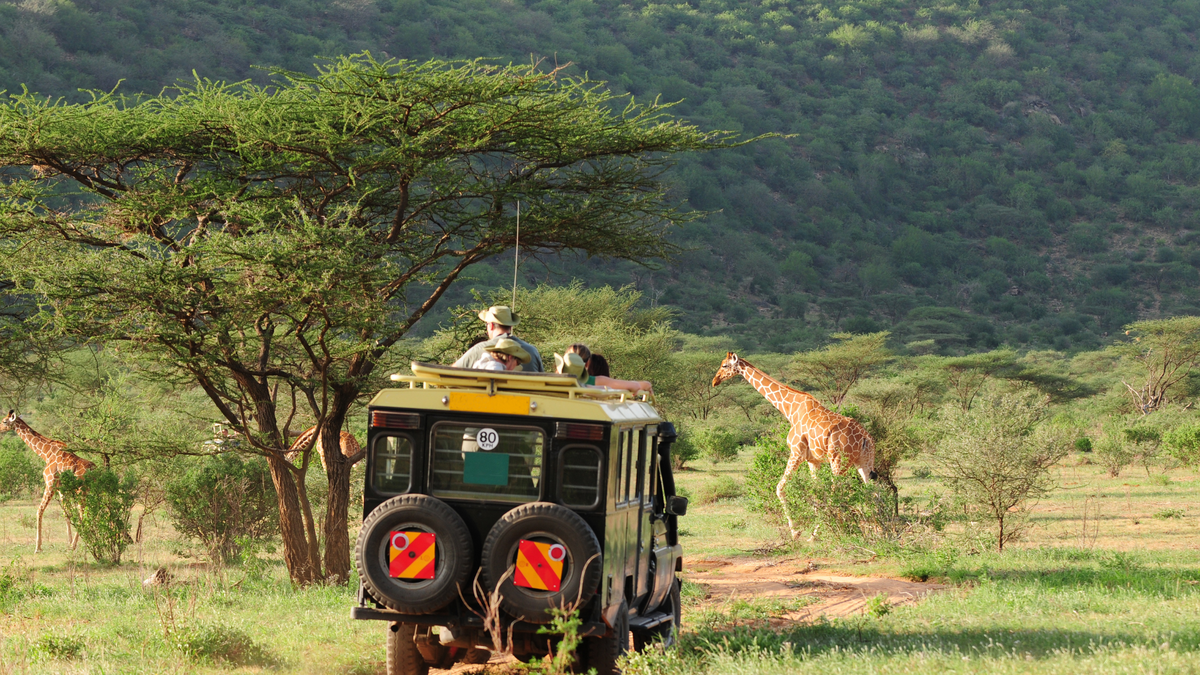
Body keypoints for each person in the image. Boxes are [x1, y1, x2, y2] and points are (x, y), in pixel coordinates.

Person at [452, 306, 544, 372]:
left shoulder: (478, 349)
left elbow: (451, 372)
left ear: (491, 326)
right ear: (511, 326)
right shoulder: (532, 351)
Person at [554, 352, 651, 395]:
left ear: (559, 370)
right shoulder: (592, 383)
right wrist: (647, 385)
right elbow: (635, 386)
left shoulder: (550, 384)